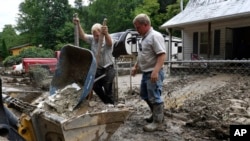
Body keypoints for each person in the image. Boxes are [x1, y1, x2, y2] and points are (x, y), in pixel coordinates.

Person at [131, 13, 166, 132]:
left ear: (145, 25)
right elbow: (142, 54)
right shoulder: (144, 38)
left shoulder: (155, 36)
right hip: (146, 72)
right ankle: (155, 115)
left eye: (138, 27)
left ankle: (158, 122)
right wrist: (136, 66)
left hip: (153, 72)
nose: (136, 30)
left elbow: (162, 55)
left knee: (155, 97)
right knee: (145, 95)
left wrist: (155, 71)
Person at [73, 17, 115, 104]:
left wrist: (106, 33)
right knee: (94, 85)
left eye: (97, 35)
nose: (95, 37)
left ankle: (111, 105)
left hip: (108, 69)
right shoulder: (93, 39)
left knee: (108, 89)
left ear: (101, 32)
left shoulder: (107, 39)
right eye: (94, 35)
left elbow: (110, 43)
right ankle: (106, 102)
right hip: (98, 69)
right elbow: (82, 35)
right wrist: (78, 24)